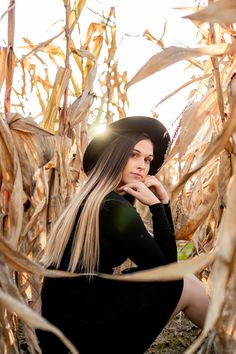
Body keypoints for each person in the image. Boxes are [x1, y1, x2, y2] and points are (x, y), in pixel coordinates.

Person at [37, 116, 209, 354]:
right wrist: (158, 207)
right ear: (115, 156)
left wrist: (163, 204)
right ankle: (229, 338)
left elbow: (160, 263)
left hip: (63, 332)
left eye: (148, 159)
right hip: (83, 335)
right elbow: (169, 272)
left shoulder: (93, 200)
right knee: (187, 283)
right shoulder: (112, 207)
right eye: (134, 155)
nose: (143, 165)